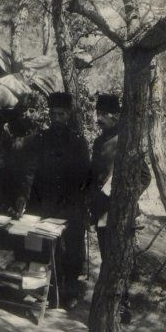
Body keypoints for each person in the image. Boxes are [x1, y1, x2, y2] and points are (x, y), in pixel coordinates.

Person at [89, 94, 151, 311]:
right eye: (97, 113)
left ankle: (122, 305)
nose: (98, 118)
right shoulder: (98, 142)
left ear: (115, 116)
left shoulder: (126, 141)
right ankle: (106, 303)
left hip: (121, 212)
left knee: (118, 260)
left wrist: (124, 196)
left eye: (102, 114)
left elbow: (145, 176)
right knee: (107, 258)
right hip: (101, 210)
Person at [30, 91, 90, 309]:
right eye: (53, 114)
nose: (57, 119)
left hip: (70, 205)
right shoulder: (41, 138)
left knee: (71, 250)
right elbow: (33, 172)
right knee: (44, 247)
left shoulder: (78, 141)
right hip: (45, 203)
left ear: (69, 114)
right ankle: (45, 289)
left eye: (61, 114)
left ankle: (70, 292)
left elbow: (85, 176)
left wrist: (75, 202)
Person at [0, 92, 46, 219]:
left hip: (33, 198)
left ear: (39, 112)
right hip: (8, 196)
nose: (26, 114)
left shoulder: (42, 136)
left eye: (31, 110)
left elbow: (35, 170)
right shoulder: (7, 134)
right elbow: (0, 167)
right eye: (23, 110)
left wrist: (25, 196)